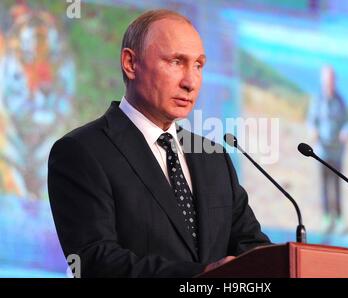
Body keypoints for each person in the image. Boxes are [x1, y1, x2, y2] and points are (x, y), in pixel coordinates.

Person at [47, 9, 271, 278]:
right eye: (176, 62)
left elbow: (252, 247)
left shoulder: (213, 157)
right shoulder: (82, 152)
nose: (190, 82)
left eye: (198, 65)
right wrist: (202, 276)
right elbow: (95, 262)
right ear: (130, 63)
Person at [307, 66, 348, 235]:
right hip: (321, 151)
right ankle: (326, 217)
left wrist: (346, 131)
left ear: (335, 80)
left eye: (331, 79)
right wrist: (312, 130)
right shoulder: (317, 100)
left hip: (337, 152)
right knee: (324, 185)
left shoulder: (341, 101)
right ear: (322, 81)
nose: (329, 82)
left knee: (337, 185)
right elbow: (311, 120)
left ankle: (339, 218)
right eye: (326, 79)